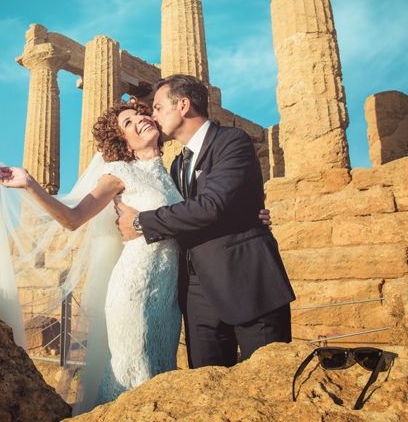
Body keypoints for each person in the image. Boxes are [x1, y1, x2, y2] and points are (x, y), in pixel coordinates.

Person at [0, 101, 273, 411]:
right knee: (133, 376)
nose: (139, 120)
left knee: (160, 375)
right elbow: (72, 218)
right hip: (134, 288)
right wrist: (30, 184)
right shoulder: (118, 173)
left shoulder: (177, 172)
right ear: (121, 141)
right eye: (127, 122)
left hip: (168, 298)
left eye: (141, 114)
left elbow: (203, 213)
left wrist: (249, 216)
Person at [116, 74, 296, 369]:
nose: (153, 114)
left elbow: (211, 206)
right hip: (198, 297)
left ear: (183, 105)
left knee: (270, 384)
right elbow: (180, 213)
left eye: (158, 107)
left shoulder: (231, 141)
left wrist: (142, 223)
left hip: (249, 285)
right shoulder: (176, 164)